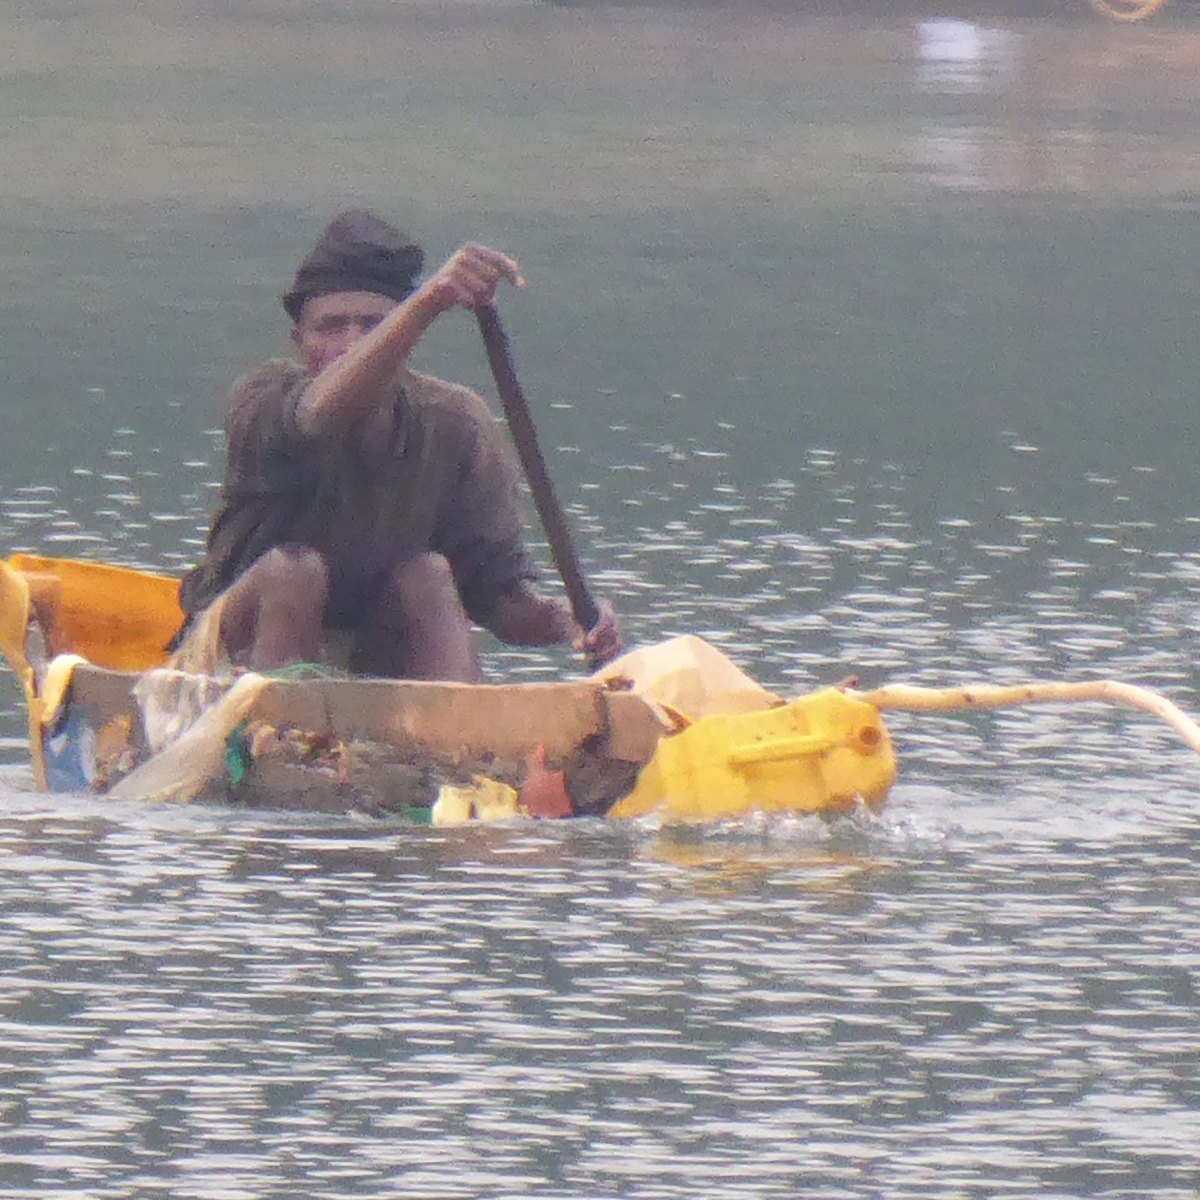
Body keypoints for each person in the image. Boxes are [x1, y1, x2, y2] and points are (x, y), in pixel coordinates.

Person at [173, 209, 621, 682]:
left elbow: (498, 599)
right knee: (295, 573)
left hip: (374, 661)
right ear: (299, 340)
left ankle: (458, 746)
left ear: (403, 340)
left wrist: (571, 618)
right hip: (237, 657)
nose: (352, 343)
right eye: (331, 327)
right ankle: (277, 740)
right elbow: (314, 419)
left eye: (374, 326)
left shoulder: (454, 422)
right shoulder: (263, 397)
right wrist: (430, 300)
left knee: (428, 576)